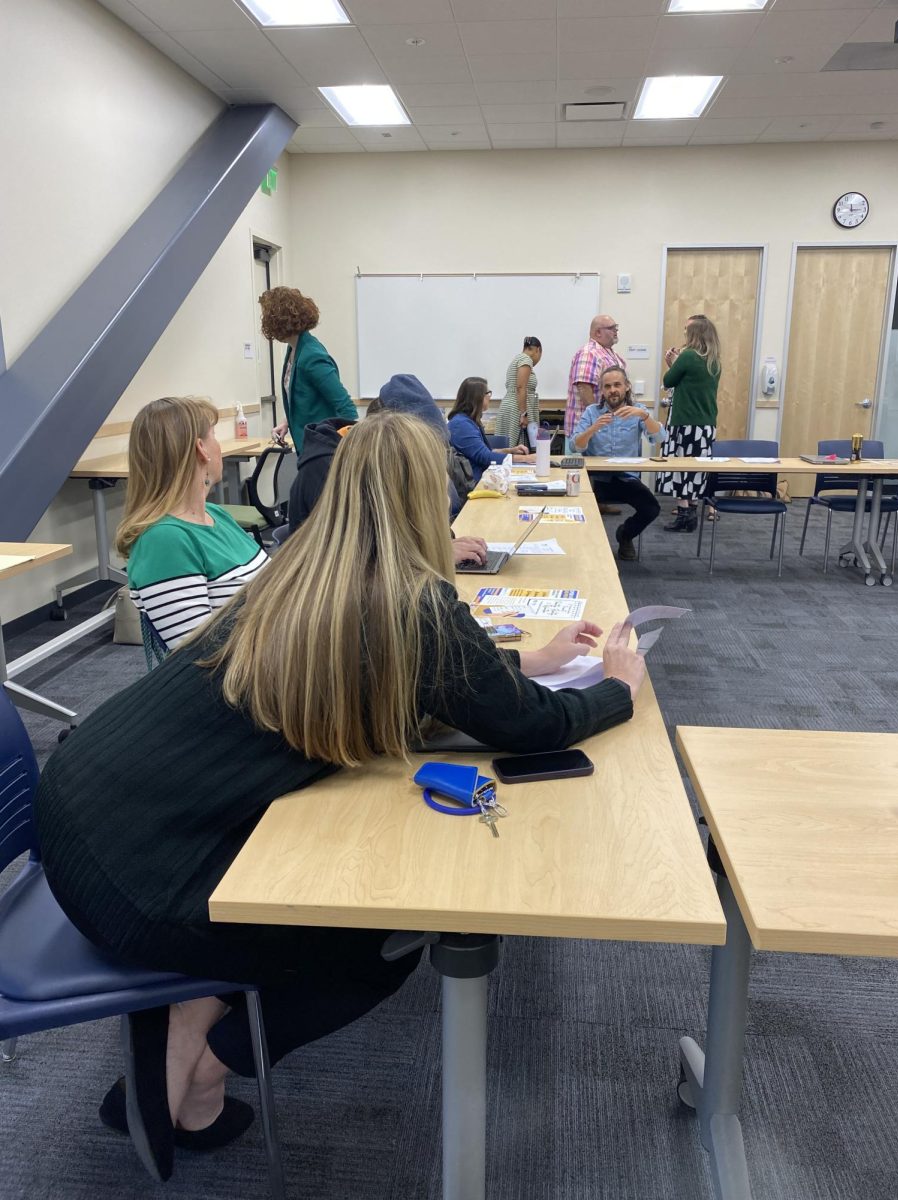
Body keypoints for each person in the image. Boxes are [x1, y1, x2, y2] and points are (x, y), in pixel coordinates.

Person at [35, 413, 645, 1180]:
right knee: (380, 932)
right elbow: (533, 729)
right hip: (134, 875)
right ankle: (201, 1073)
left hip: (79, 807)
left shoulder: (298, 568)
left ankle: (187, 1025)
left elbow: (443, 680)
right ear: (434, 498)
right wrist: (617, 690)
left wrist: (519, 659)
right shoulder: (416, 603)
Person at [289, 374, 491, 568]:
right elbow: (354, 564)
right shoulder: (328, 471)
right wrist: (434, 556)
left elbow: (406, 526)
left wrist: (443, 544)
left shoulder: (375, 460)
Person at [117, 397, 269, 649]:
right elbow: (197, 657)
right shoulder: (163, 540)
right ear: (202, 449)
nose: (219, 445)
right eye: (214, 435)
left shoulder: (216, 515)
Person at [572, 368, 663, 561]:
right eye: (608, 386)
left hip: (625, 478)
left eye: (617, 385)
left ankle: (625, 534)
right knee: (575, 509)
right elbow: (575, 446)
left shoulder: (638, 411)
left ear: (627, 386)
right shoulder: (592, 412)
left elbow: (660, 437)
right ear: (602, 391)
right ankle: (584, 549)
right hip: (595, 480)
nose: (613, 390)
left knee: (651, 508)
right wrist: (592, 429)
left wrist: (645, 416)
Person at [258, 286, 357, 457]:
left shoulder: (311, 355)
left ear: (277, 320)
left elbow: (346, 407)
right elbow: (302, 397)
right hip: (309, 447)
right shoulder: (294, 350)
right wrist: (287, 422)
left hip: (324, 451)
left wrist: (347, 454)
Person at [658, 314, 721, 533]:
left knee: (679, 465)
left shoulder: (688, 357)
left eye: (686, 330)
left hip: (684, 422)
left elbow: (668, 381)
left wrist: (671, 364)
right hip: (706, 425)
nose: (684, 333)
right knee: (697, 468)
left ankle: (683, 512)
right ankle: (693, 509)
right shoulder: (713, 360)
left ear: (694, 333)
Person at [566, 315, 627, 515]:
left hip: (603, 426)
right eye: (612, 328)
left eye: (616, 327)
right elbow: (584, 387)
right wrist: (597, 416)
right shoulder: (589, 353)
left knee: (598, 470)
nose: (616, 331)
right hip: (584, 426)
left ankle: (597, 504)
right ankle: (583, 509)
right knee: (581, 473)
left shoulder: (610, 354)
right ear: (597, 332)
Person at [447, 376, 533, 485]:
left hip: (483, 479)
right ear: (477, 397)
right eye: (487, 393)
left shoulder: (469, 421)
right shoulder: (460, 425)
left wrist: (511, 450)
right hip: (474, 484)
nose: (489, 397)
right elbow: (486, 457)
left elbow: (486, 452)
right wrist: (526, 458)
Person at [495, 337, 542, 449]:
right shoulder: (526, 360)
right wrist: (523, 414)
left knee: (508, 448)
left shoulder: (517, 359)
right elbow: (521, 387)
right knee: (519, 448)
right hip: (517, 409)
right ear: (538, 350)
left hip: (510, 406)